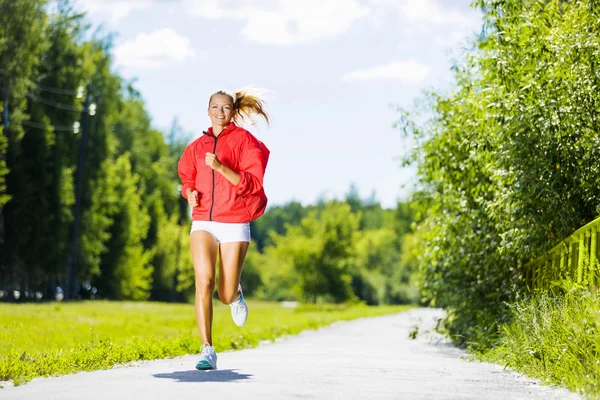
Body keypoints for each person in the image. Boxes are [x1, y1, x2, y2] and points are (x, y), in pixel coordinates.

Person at [177, 88, 271, 370]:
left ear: (233, 112)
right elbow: (187, 179)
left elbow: (252, 183)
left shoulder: (245, 142)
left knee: (224, 293)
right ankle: (207, 350)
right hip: (203, 220)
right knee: (203, 280)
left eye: (225, 108)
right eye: (215, 107)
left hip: (235, 221)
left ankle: (235, 295)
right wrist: (189, 193)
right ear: (208, 111)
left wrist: (220, 167)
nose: (220, 112)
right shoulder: (195, 147)